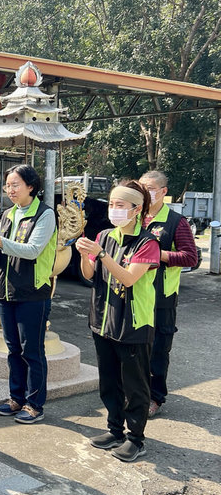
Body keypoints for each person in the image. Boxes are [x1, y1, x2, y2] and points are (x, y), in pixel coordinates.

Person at [75, 180, 160, 462]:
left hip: (133, 321)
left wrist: (101, 255)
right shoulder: (104, 236)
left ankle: (136, 438)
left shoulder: (148, 243)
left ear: (136, 210)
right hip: (103, 317)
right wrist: (85, 255)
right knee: (109, 380)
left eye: (120, 205)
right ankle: (115, 430)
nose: (114, 210)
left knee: (135, 384)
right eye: (112, 204)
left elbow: (128, 278)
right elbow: (89, 274)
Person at [0, 164, 56, 424]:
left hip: (32, 291)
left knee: (33, 351)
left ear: (31, 186)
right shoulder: (9, 214)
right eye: (8, 185)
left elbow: (32, 250)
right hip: (6, 289)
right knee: (13, 350)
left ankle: (35, 404)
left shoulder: (45, 214)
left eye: (15, 184)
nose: (10, 190)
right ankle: (16, 398)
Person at [138, 170, 197, 418]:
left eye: (151, 188)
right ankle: (135, 392)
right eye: (142, 187)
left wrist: (157, 255)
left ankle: (155, 397)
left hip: (161, 296)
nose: (146, 193)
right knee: (134, 346)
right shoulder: (133, 217)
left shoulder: (175, 222)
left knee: (158, 349)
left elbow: (190, 257)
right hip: (133, 292)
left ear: (163, 192)